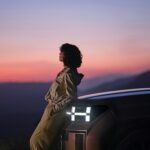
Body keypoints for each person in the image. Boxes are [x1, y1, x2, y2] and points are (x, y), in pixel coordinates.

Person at [30, 43, 84, 150]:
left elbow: (71, 96)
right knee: (38, 141)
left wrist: (55, 109)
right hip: (52, 111)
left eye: (62, 52)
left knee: (38, 142)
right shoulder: (65, 72)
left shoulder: (68, 74)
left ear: (67, 55)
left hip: (55, 113)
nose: (59, 54)